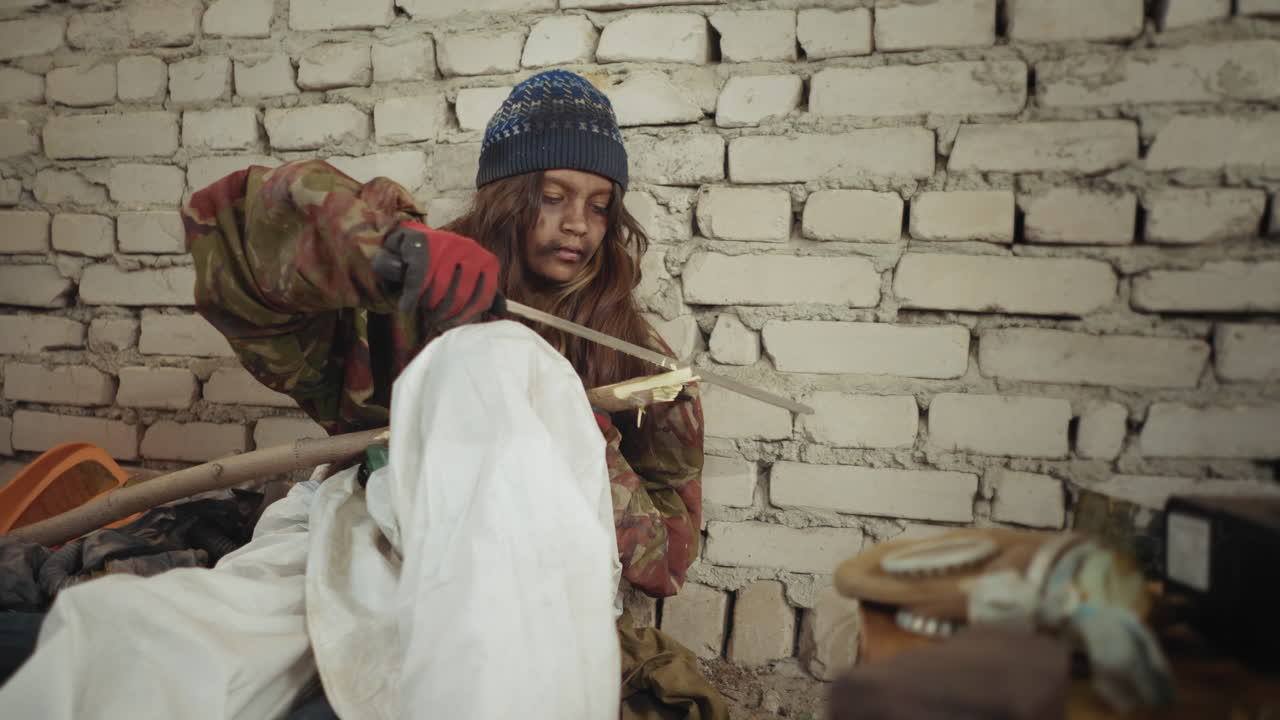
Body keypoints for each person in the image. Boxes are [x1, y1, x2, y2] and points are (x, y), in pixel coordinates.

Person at [0, 70, 726, 719]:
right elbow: (235, 253)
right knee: (133, 647)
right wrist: (384, 252)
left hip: (520, 589)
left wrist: (573, 433)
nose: (579, 225)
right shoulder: (409, 295)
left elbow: (668, 556)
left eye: (601, 206)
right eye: (554, 196)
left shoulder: (634, 356)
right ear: (507, 198)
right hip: (364, 548)